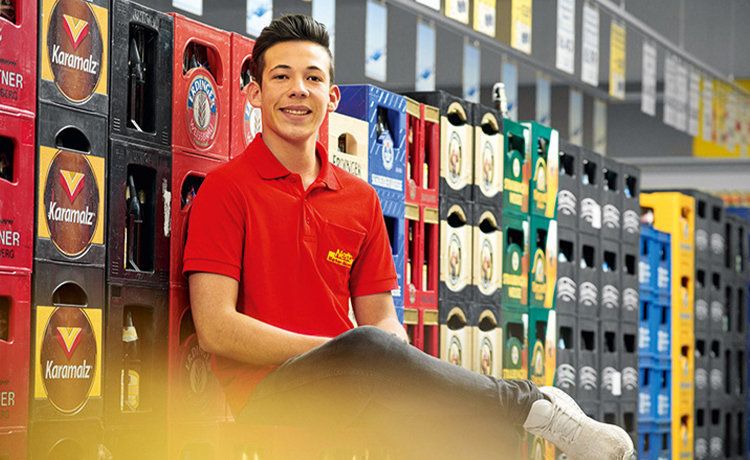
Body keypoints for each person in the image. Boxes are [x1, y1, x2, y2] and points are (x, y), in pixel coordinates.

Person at [183, 14, 635, 460]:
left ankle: (530, 417)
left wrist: (389, 357)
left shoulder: (358, 198)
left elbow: (381, 318)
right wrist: (344, 352)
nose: (298, 89)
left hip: (358, 387)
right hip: (270, 393)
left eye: (313, 78)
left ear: (332, 96)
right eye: (281, 76)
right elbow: (216, 329)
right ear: (255, 93)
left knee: (475, 429)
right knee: (368, 349)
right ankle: (533, 405)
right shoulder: (226, 190)